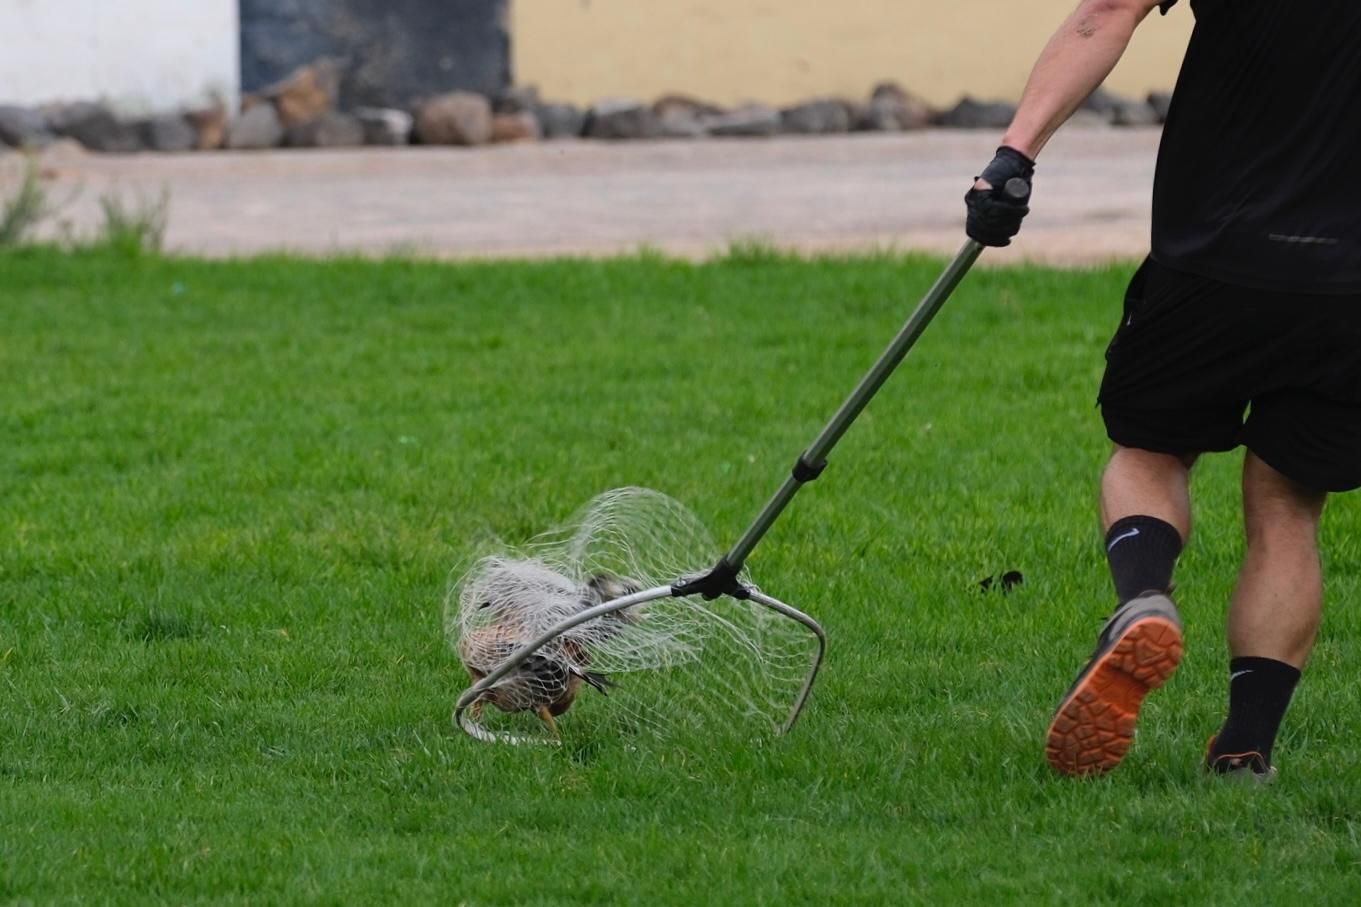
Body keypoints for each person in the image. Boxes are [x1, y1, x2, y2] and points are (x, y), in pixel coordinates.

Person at [965, 0, 1361, 780]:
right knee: (1286, 508)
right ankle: (1244, 749)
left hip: (1216, 254)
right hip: (1347, 285)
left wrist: (1014, 155)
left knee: (1150, 450)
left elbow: (1105, 14)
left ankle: (1143, 596)